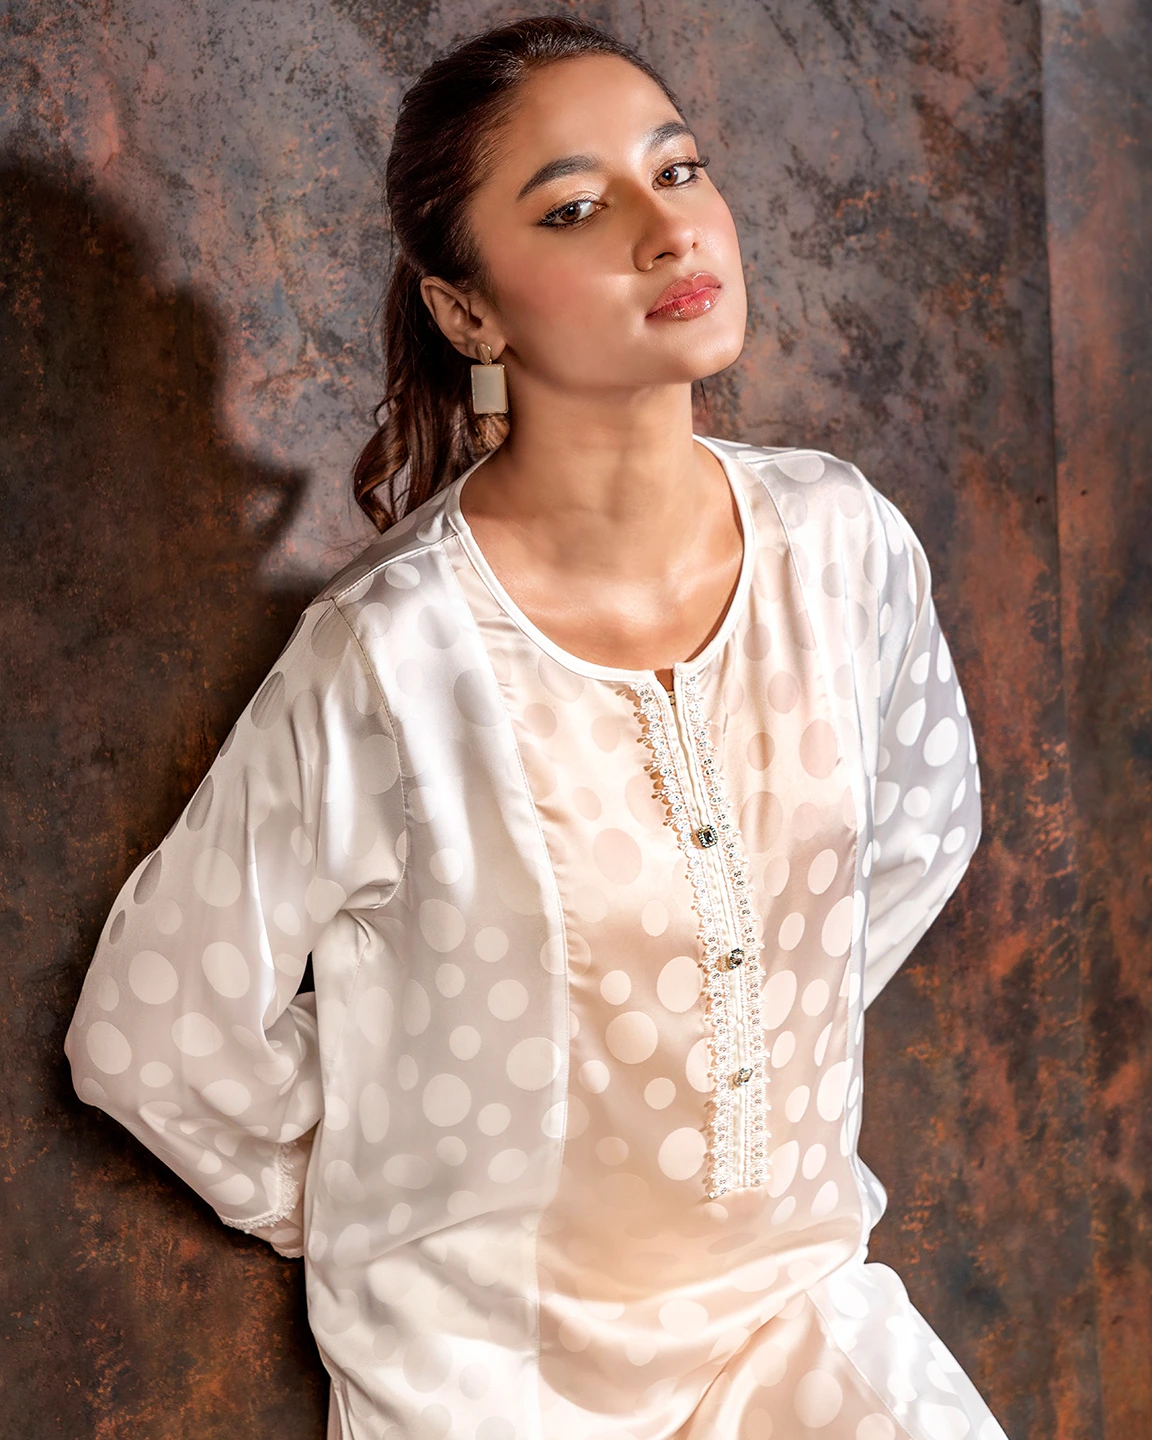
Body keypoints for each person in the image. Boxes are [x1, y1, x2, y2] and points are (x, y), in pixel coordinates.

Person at [64, 16, 1009, 1440]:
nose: (665, 229)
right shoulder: (397, 656)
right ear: (467, 313)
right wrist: (396, 1184)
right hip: (494, 1378)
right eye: (573, 208)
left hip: (794, 1311)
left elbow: (919, 836)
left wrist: (726, 1042)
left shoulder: (841, 546)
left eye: (678, 171)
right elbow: (156, 1031)